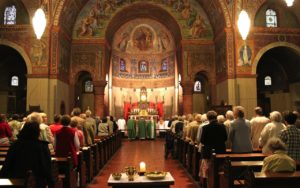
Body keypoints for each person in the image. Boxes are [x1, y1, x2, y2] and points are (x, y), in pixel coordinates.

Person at [0, 121, 54, 187]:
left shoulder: (15, 145)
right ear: (37, 132)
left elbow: (8, 163)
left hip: (16, 180)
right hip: (38, 182)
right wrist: (51, 182)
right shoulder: (42, 146)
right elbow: (47, 167)